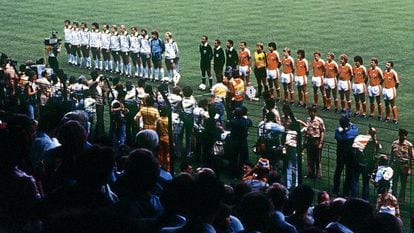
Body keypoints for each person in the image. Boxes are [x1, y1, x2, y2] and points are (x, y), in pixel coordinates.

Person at [333, 115, 359, 196]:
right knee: (348, 173)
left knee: (338, 172)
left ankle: (335, 189)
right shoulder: (350, 132)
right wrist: (350, 126)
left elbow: (339, 136)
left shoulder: (338, 131)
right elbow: (355, 131)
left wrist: (344, 129)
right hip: (349, 155)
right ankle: (346, 191)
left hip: (340, 153)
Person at [282, 103, 306, 189]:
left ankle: (288, 185)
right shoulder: (298, 133)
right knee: (296, 167)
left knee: (289, 166)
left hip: (289, 149)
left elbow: (286, 142)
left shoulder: (288, 132)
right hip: (295, 150)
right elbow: (304, 129)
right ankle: (296, 184)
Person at [353, 126, 380, 200]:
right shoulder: (375, 142)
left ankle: (354, 197)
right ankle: (365, 199)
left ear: (367, 132)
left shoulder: (360, 137)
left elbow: (354, 146)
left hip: (358, 162)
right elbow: (378, 148)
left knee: (355, 180)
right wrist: (374, 137)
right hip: (367, 164)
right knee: (365, 182)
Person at [229, 106, 252, 177]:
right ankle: (242, 173)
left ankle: (233, 173)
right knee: (243, 158)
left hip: (234, 141)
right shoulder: (245, 121)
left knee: (234, 158)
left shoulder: (233, 121)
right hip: (243, 141)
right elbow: (250, 123)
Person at [390, 128, 413, 202]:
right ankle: (393, 198)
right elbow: (391, 155)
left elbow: (412, 157)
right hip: (395, 165)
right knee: (394, 183)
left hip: (405, 166)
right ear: (399, 135)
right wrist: (390, 166)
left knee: (403, 184)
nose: (403, 137)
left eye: (405, 136)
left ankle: (401, 199)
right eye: (402, 135)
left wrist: (409, 169)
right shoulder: (394, 143)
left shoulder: (409, 145)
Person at [305, 106, 325, 179]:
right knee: (310, 158)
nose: (310, 113)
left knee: (317, 158)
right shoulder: (307, 120)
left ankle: (318, 174)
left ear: (315, 113)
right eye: (309, 112)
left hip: (316, 140)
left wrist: (320, 143)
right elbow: (306, 130)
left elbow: (322, 132)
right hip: (309, 140)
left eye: (312, 112)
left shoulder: (319, 120)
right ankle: (310, 173)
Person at [181, 86, 197, 158]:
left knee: (180, 134)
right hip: (190, 118)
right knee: (189, 135)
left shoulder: (181, 100)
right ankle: (188, 151)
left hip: (182, 117)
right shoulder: (193, 100)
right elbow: (195, 109)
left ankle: (179, 151)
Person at [157, 106, 171, 172]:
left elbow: (157, 129)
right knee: (167, 154)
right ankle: (168, 168)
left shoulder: (159, 119)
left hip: (160, 137)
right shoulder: (169, 120)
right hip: (167, 138)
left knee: (161, 153)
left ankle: (160, 167)